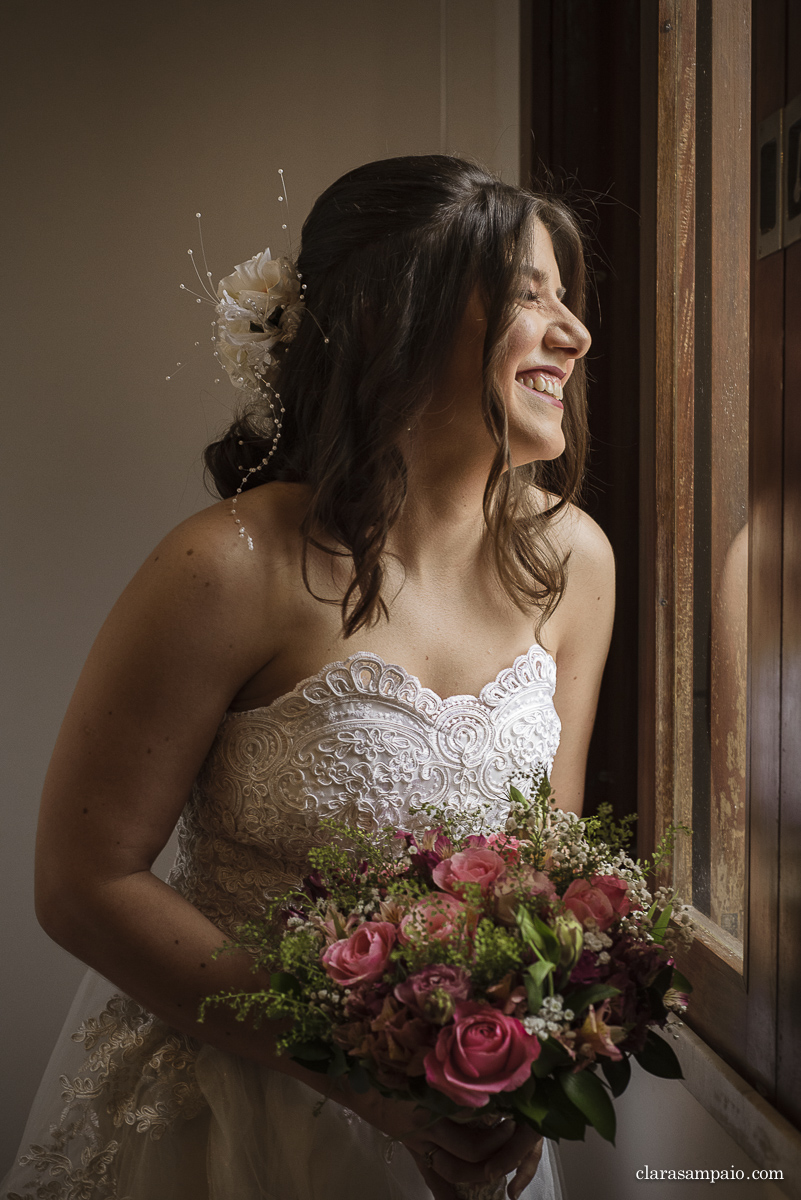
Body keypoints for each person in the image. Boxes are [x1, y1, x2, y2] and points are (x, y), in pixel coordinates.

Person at [3, 155, 614, 1200]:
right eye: (528, 295)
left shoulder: (575, 564)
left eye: (569, 298)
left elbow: (545, 884)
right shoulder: (226, 565)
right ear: (400, 318)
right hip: (238, 1123)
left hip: (465, 1122)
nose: (575, 332)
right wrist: (355, 1072)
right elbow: (81, 881)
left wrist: (518, 1074)